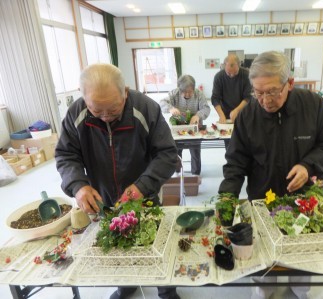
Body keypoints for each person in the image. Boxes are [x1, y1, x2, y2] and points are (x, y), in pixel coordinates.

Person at [218, 51, 323, 299]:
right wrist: (226, 196)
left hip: (304, 199)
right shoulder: (248, 116)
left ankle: (300, 288)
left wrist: (309, 166)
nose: (265, 100)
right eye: (258, 92)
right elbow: (236, 162)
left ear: (290, 83)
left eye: (272, 91)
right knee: (264, 247)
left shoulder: (314, 106)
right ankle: (264, 288)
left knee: (301, 248)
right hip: (262, 197)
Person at [55, 63, 180, 299]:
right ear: (84, 98)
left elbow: (167, 155)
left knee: (155, 243)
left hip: (146, 193)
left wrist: (143, 186)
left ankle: (167, 290)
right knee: (117, 243)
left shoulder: (146, 108)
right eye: (96, 110)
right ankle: (126, 285)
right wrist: (78, 185)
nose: (105, 117)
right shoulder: (76, 114)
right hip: (104, 197)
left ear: (125, 91)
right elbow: (65, 155)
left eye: (112, 109)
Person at [160, 74, 210, 175]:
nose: (187, 94)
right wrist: (171, 108)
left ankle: (196, 174)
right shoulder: (174, 93)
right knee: (177, 150)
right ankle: (178, 171)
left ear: (194, 88)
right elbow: (162, 102)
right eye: (184, 92)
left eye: (190, 92)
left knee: (195, 151)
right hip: (179, 128)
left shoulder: (199, 94)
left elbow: (206, 108)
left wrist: (198, 115)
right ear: (180, 89)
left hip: (194, 128)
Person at [211, 54, 252, 148]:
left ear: (239, 65)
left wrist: (237, 110)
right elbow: (215, 98)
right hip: (225, 112)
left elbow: (248, 97)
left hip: (244, 111)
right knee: (229, 143)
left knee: (245, 141)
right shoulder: (219, 77)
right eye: (229, 73)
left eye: (235, 73)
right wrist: (221, 115)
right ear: (224, 66)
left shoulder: (247, 75)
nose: (232, 75)